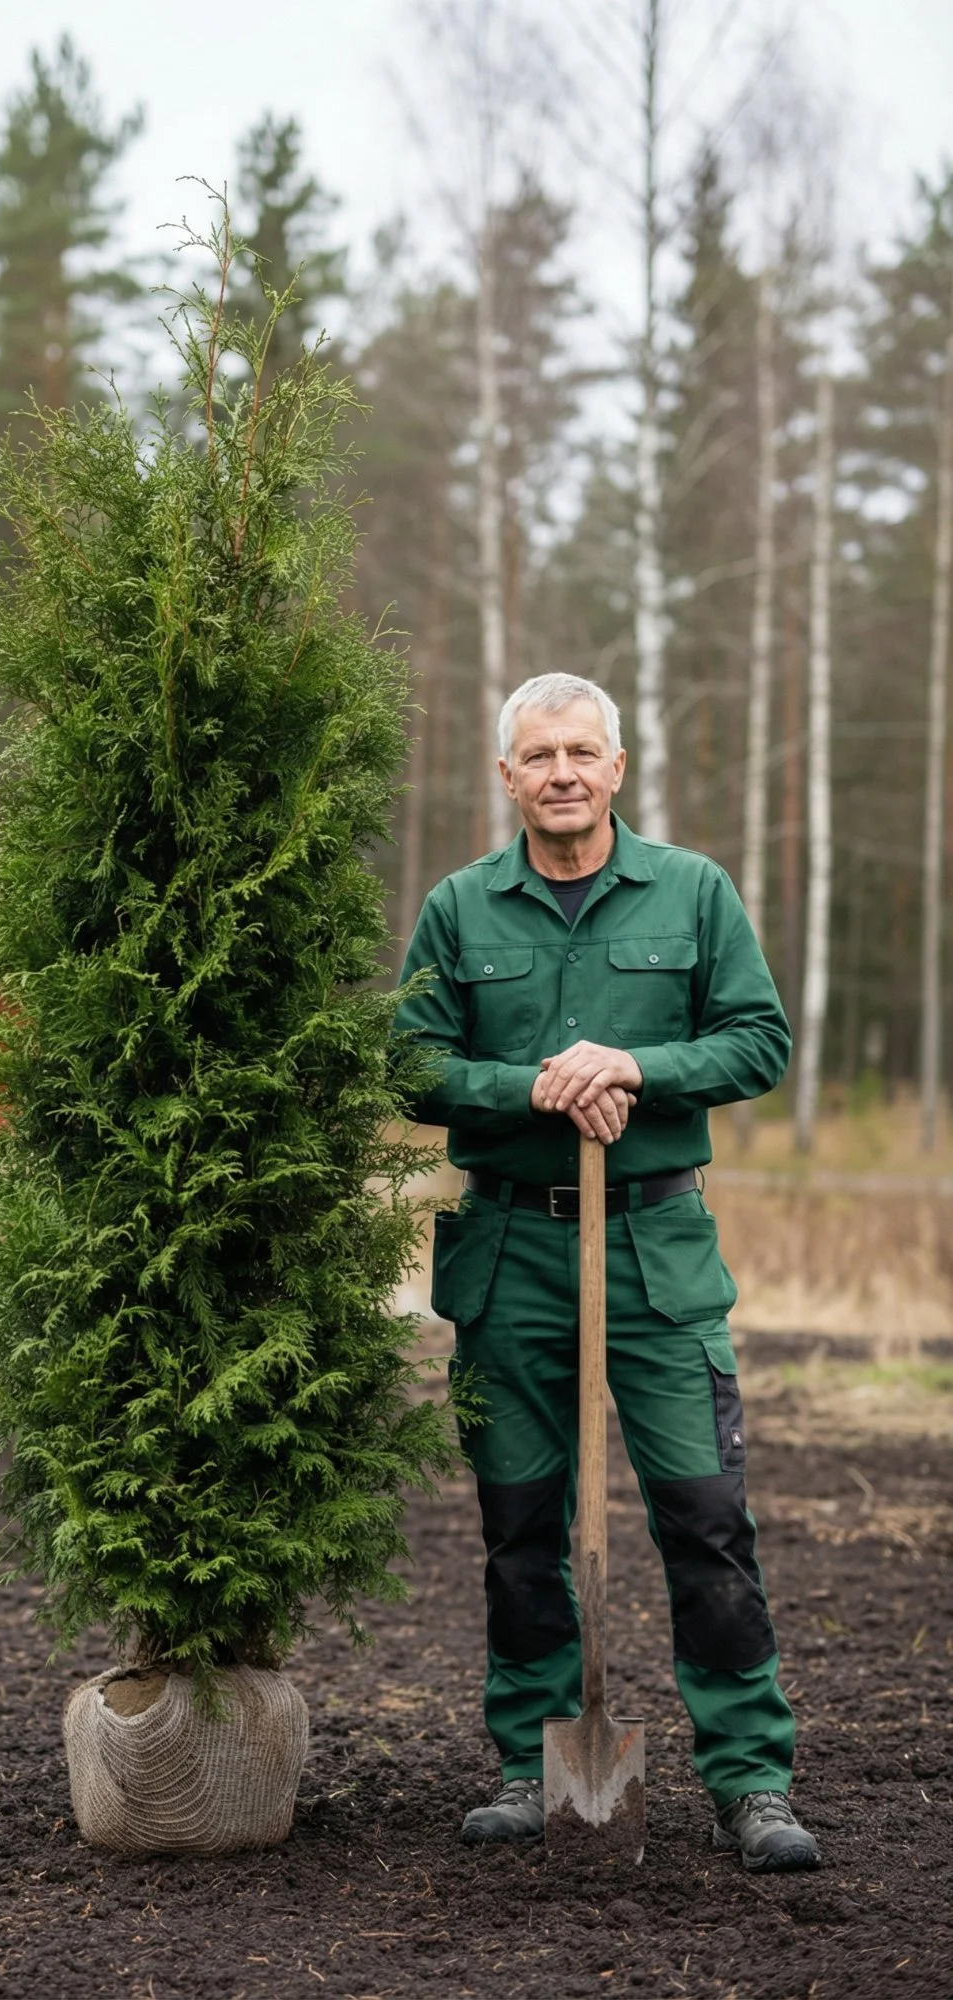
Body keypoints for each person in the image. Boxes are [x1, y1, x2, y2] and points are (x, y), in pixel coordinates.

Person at [394, 671, 820, 1873]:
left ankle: (750, 1777)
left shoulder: (691, 893)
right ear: (508, 775)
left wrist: (630, 1061)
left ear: (618, 768)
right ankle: (533, 1765)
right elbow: (411, 1067)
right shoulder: (460, 909)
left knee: (706, 1514)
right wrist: (526, 1082)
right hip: (511, 1250)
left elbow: (759, 1037)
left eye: (584, 749)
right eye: (541, 754)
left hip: (655, 1250)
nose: (564, 771)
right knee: (521, 1524)